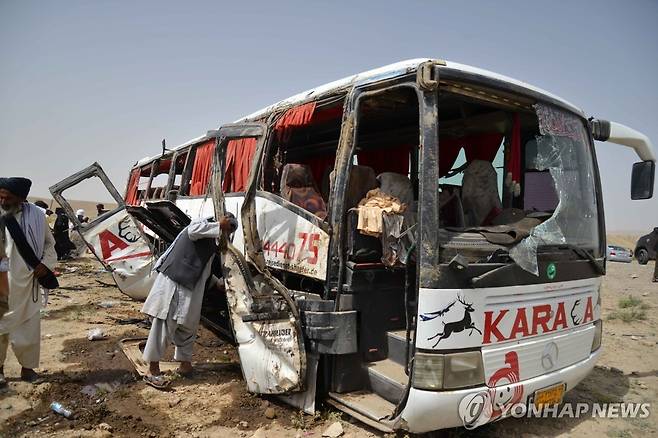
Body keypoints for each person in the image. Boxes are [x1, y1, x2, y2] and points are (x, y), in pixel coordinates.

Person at [141, 214, 237, 389]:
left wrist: (217, 283)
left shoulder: (211, 241)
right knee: (165, 324)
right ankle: (152, 370)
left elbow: (205, 268)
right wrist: (219, 225)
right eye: (228, 229)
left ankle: (185, 365)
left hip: (191, 287)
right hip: (175, 283)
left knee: (188, 326)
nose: (227, 233)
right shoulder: (202, 224)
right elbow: (193, 231)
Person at [0, 177, 56, 386]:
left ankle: (28, 368)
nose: (4, 202)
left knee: (29, 328)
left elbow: (50, 245)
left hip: (28, 283)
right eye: (1, 196)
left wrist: (45, 264)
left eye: (9, 198)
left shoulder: (37, 216)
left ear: (22, 199)